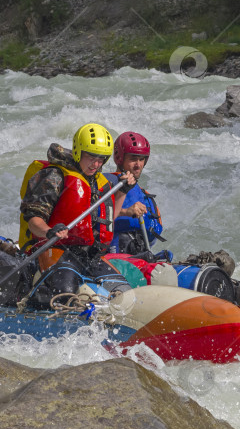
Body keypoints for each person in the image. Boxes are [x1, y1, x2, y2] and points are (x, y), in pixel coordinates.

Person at [18, 123, 137, 302]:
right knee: (66, 292)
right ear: (78, 151)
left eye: (101, 159)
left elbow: (110, 218)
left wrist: (122, 192)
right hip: (54, 249)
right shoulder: (54, 176)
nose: (96, 164)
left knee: (124, 295)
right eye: (91, 157)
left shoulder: (99, 181)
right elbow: (34, 220)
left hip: (89, 254)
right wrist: (49, 231)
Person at [104, 131, 168, 258]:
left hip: (139, 254)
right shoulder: (106, 184)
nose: (138, 165)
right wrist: (125, 211)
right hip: (113, 256)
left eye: (141, 159)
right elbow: (93, 218)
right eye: (133, 159)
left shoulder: (143, 193)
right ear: (120, 159)